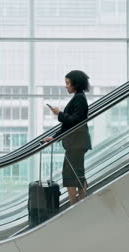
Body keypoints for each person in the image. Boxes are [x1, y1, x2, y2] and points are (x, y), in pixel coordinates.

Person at [43, 70, 92, 205]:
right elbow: (69, 125)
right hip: (76, 142)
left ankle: (75, 204)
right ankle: (78, 203)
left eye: (68, 83)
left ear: (75, 84)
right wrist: (54, 137)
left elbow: (74, 121)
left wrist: (60, 113)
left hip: (77, 143)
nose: (66, 86)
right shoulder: (78, 97)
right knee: (76, 173)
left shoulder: (79, 98)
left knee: (72, 175)